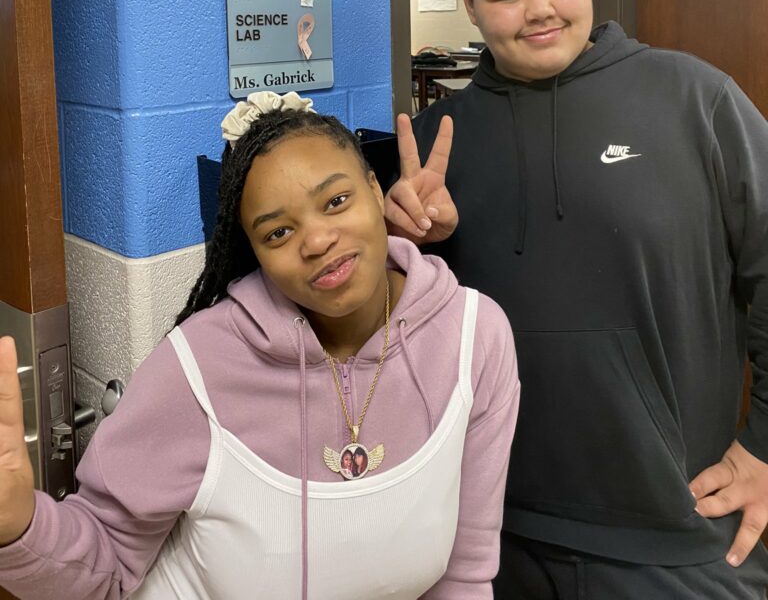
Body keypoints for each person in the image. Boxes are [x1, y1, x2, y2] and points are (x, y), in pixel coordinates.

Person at [385, 0, 768, 599]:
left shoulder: (693, 98)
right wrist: (410, 249)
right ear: (471, 7)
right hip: (491, 530)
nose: (540, 9)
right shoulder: (444, 141)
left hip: (675, 531)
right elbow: (413, 338)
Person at [0, 92, 519, 600]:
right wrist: (16, 527)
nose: (316, 241)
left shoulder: (474, 337)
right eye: (278, 233)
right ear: (254, 251)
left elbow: (465, 573)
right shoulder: (196, 368)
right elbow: (104, 568)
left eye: (336, 201)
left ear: (375, 189)